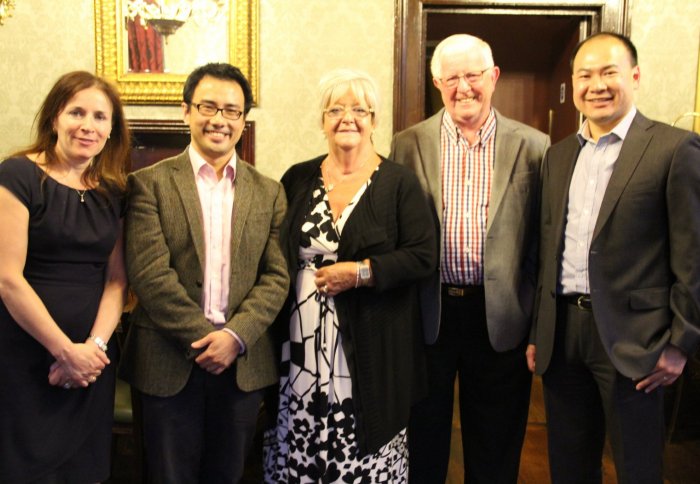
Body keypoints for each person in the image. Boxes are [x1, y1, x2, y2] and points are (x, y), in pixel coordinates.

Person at [528, 32, 700, 484]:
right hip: (563, 335)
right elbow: (548, 247)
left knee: (638, 467)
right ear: (573, 82)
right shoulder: (558, 154)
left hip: (637, 339)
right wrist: (538, 331)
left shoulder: (673, 148)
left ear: (635, 77)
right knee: (570, 465)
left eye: (610, 72)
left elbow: (693, 255)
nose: (597, 85)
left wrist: (681, 342)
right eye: (585, 75)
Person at [390, 34, 550, 483]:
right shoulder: (406, 144)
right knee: (423, 439)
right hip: (429, 314)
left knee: (496, 444)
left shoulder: (535, 146)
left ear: (493, 77)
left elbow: (542, 242)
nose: (464, 87)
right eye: (451, 77)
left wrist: (538, 324)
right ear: (436, 82)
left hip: (501, 317)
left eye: (473, 75)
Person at [263, 68, 436, 483]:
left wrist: (361, 273)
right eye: (336, 108)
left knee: (362, 446)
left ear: (374, 120)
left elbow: (423, 256)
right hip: (299, 345)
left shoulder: (398, 183)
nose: (348, 117)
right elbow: (276, 249)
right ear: (322, 119)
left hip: (372, 344)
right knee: (296, 444)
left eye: (359, 109)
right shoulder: (297, 177)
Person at [119, 63, 289, 483]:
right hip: (166, 361)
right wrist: (203, 340)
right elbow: (149, 273)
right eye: (208, 107)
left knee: (229, 475)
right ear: (186, 111)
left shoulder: (269, 191)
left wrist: (234, 338)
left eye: (232, 111)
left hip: (241, 363)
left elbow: (277, 277)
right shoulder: (147, 184)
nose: (219, 120)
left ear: (243, 119)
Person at [0, 71, 130, 483]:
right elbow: (7, 278)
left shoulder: (113, 191)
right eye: (77, 112)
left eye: (99, 116)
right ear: (55, 116)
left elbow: (116, 281)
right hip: (26, 355)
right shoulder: (18, 175)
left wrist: (91, 350)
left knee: (84, 469)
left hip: (92, 362)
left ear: (111, 130)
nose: (87, 126)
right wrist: (63, 352)